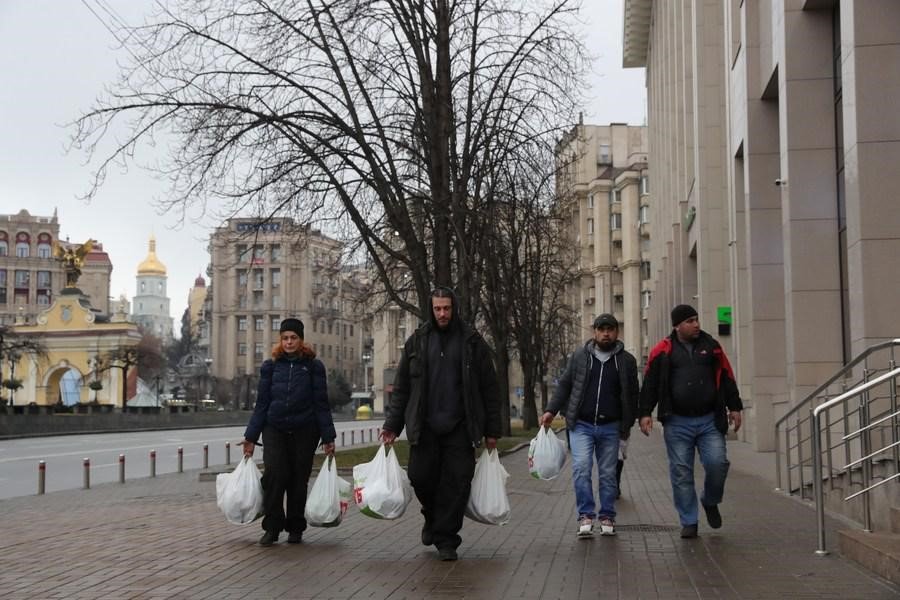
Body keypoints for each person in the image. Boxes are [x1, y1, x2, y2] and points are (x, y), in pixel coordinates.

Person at [380, 287, 502, 562]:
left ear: (454, 308)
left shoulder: (472, 342)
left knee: (458, 483)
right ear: (431, 309)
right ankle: (432, 515)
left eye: (447, 308)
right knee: (420, 477)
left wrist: (492, 430)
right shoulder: (417, 342)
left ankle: (447, 539)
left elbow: (489, 388)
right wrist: (392, 425)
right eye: (437, 309)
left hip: (461, 426)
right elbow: (402, 388)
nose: (442, 314)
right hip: (425, 427)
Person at [639, 304, 743, 539]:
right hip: (677, 422)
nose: (696, 324)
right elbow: (650, 385)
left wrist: (735, 407)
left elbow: (727, 376)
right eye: (690, 321)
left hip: (709, 420)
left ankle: (710, 500)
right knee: (681, 472)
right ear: (677, 326)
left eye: (696, 319)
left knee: (717, 463)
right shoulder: (662, 351)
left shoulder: (712, 347)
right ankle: (689, 521)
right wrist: (644, 413)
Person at [541, 313, 639, 538]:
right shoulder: (580, 356)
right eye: (601, 329)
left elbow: (633, 394)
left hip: (611, 426)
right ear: (594, 332)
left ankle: (607, 516)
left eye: (610, 329)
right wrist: (550, 410)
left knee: (608, 473)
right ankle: (585, 515)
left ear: (617, 332)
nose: (606, 334)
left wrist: (629, 423)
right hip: (581, 425)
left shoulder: (626, 361)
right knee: (581, 468)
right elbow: (565, 384)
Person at [240, 318, 336, 546]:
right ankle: (272, 527)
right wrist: (251, 437)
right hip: (275, 428)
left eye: (293, 338)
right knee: (274, 475)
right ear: (280, 340)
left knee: (298, 480)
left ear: (301, 340)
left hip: (305, 429)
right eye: (285, 338)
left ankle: (295, 528)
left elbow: (321, 403)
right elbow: (262, 404)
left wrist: (328, 437)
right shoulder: (271, 366)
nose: (289, 342)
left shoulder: (313, 366)